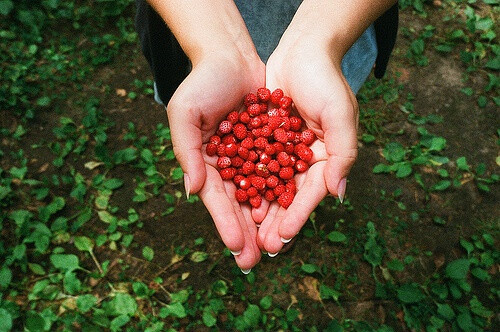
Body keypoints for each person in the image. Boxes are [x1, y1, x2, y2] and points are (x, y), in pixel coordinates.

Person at [135, 0, 398, 273]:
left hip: (343, 16)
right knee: (202, 116)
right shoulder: (250, 140)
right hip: (193, 20)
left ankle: (281, 222)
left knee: (326, 110)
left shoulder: (275, 135)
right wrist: (215, 43)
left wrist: (319, 40)